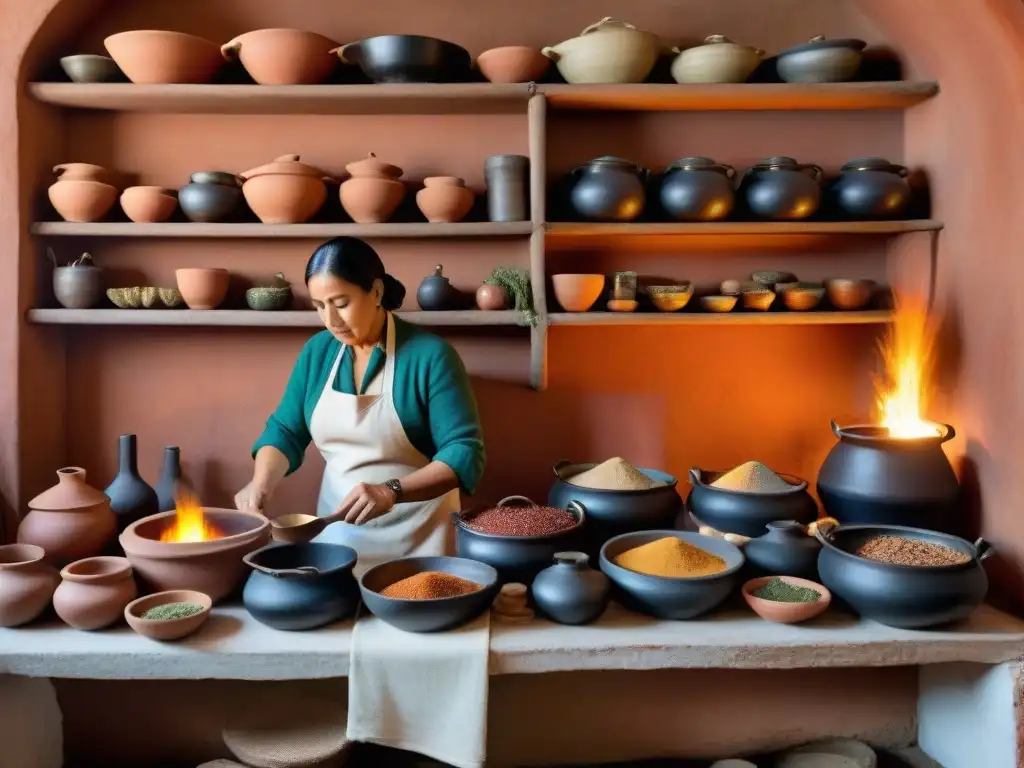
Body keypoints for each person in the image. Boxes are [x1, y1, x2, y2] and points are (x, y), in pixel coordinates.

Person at [235, 236, 485, 571]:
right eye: (319, 306)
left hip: (421, 539)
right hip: (339, 537)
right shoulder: (318, 352)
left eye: (340, 303)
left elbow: (463, 452)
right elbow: (285, 431)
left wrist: (391, 491)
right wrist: (260, 483)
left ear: (377, 292)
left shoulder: (431, 355)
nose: (330, 320)